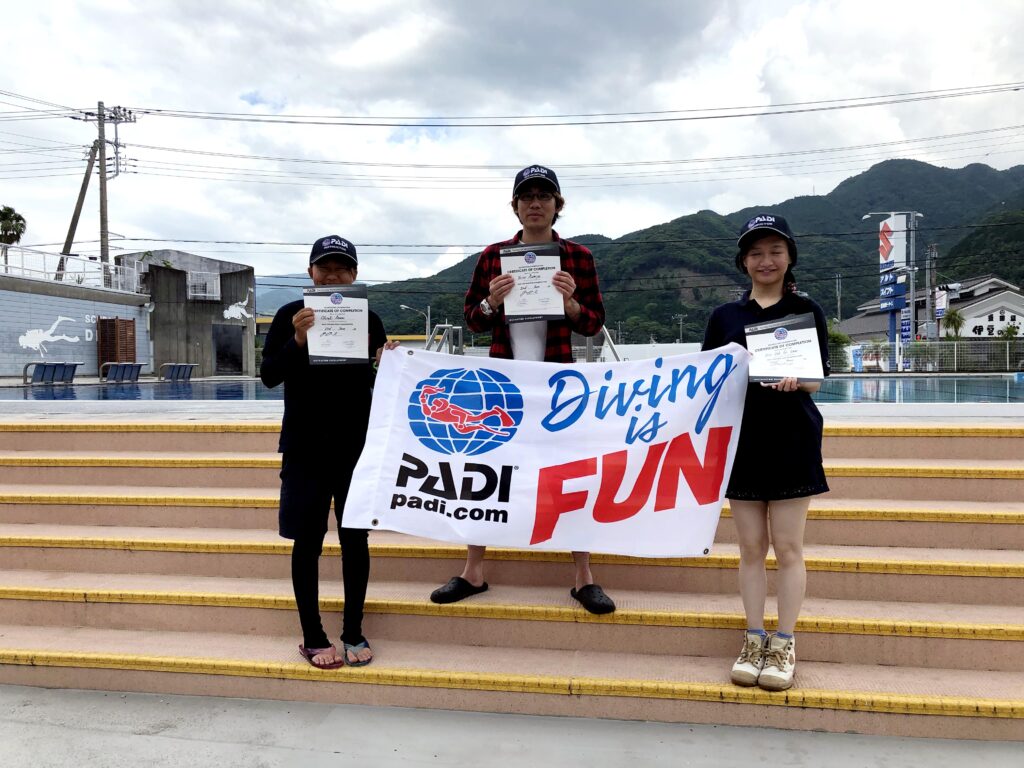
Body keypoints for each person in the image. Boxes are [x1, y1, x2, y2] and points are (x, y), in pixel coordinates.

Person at [428, 164, 616, 615]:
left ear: (557, 205)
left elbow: (594, 324)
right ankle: (474, 571)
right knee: (485, 470)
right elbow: (473, 319)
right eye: (527, 196)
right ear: (515, 206)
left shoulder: (579, 258)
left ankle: (583, 576)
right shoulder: (493, 256)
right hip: (504, 383)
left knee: (570, 473)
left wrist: (570, 303)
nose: (535, 203)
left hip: (558, 384)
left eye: (544, 196)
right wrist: (492, 301)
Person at [701, 214, 830, 691]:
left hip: (793, 438)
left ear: (790, 256)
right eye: (755, 253)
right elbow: (706, 378)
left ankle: (784, 642)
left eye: (775, 251)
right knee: (750, 547)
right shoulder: (724, 317)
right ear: (743, 262)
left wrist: (799, 380)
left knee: (789, 548)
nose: (766, 260)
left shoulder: (806, 310)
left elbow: (817, 379)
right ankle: (754, 637)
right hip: (743, 441)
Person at [260, 234, 397, 669]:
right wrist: (298, 339)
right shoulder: (289, 315)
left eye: (342, 269)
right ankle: (313, 635)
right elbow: (269, 375)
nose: (333, 276)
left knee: (355, 539)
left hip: (356, 446)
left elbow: (375, 381)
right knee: (307, 541)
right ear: (311, 272)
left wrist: (386, 362)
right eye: (325, 268)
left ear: (355, 274)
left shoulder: (369, 318)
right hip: (304, 446)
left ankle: (353, 630)